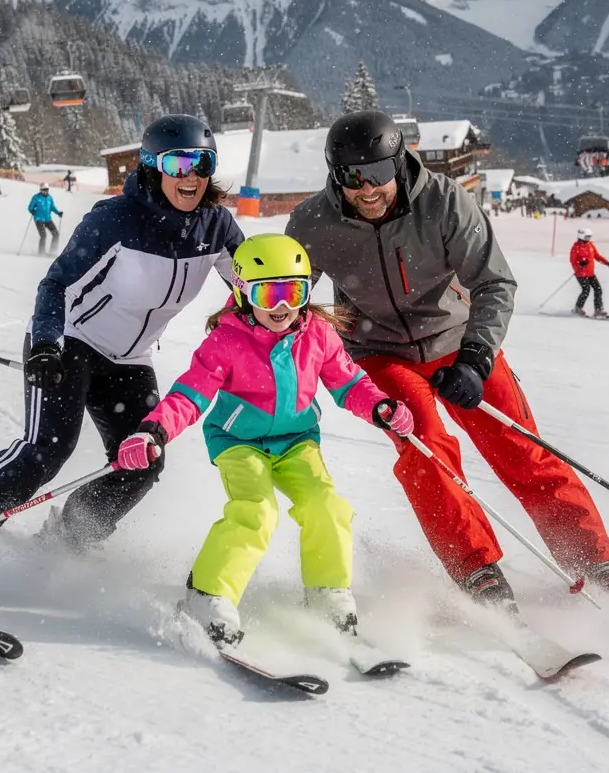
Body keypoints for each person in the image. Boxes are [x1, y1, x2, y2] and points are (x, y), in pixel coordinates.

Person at [286, 110, 609, 613]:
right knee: (425, 449)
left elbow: (494, 283)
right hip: (380, 351)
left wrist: (475, 358)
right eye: (352, 177)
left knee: (522, 448)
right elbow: (286, 293)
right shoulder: (312, 222)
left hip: (458, 337)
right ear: (333, 174)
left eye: (380, 174)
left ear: (400, 160)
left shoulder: (444, 201)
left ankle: (592, 559)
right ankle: (477, 570)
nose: (367, 189)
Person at [0, 115, 244, 603]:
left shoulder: (217, 227)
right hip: (70, 342)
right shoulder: (114, 219)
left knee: (142, 459)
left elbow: (256, 287)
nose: (190, 176)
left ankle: (70, 535)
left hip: (131, 358)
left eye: (201, 163)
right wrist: (48, 344)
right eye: (177, 163)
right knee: (47, 450)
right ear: (152, 166)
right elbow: (56, 283)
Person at [124, 233, 414, 645]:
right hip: (239, 442)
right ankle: (207, 594)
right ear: (243, 292)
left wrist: (381, 408)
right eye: (269, 293)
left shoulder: (319, 335)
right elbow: (190, 394)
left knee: (327, 505)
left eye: (293, 291)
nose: (282, 307)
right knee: (257, 511)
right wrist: (154, 429)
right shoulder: (225, 341)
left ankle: (327, 592)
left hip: (297, 441)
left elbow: (350, 383)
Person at [570, 227, 609, 317]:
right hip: (581, 274)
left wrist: (607, 263)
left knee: (598, 290)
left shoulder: (590, 245)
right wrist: (580, 264)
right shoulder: (576, 247)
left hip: (590, 273)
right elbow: (573, 261)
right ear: (581, 236)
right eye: (587, 237)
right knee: (586, 290)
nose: (588, 239)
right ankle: (578, 308)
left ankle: (598, 309)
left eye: (589, 237)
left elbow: (597, 256)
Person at [28, 182, 63, 255]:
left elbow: (52, 207)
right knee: (43, 235)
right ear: (40, 190)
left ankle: (52, 251)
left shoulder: (49, 198)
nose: (45, 191)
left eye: (46, 190)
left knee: (56, 234)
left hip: (48, 219)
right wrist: (32, 211)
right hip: (39, 219)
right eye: (43, 190)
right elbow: (30, 207)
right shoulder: (36, 197)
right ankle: (41, 252)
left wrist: (58, 213)